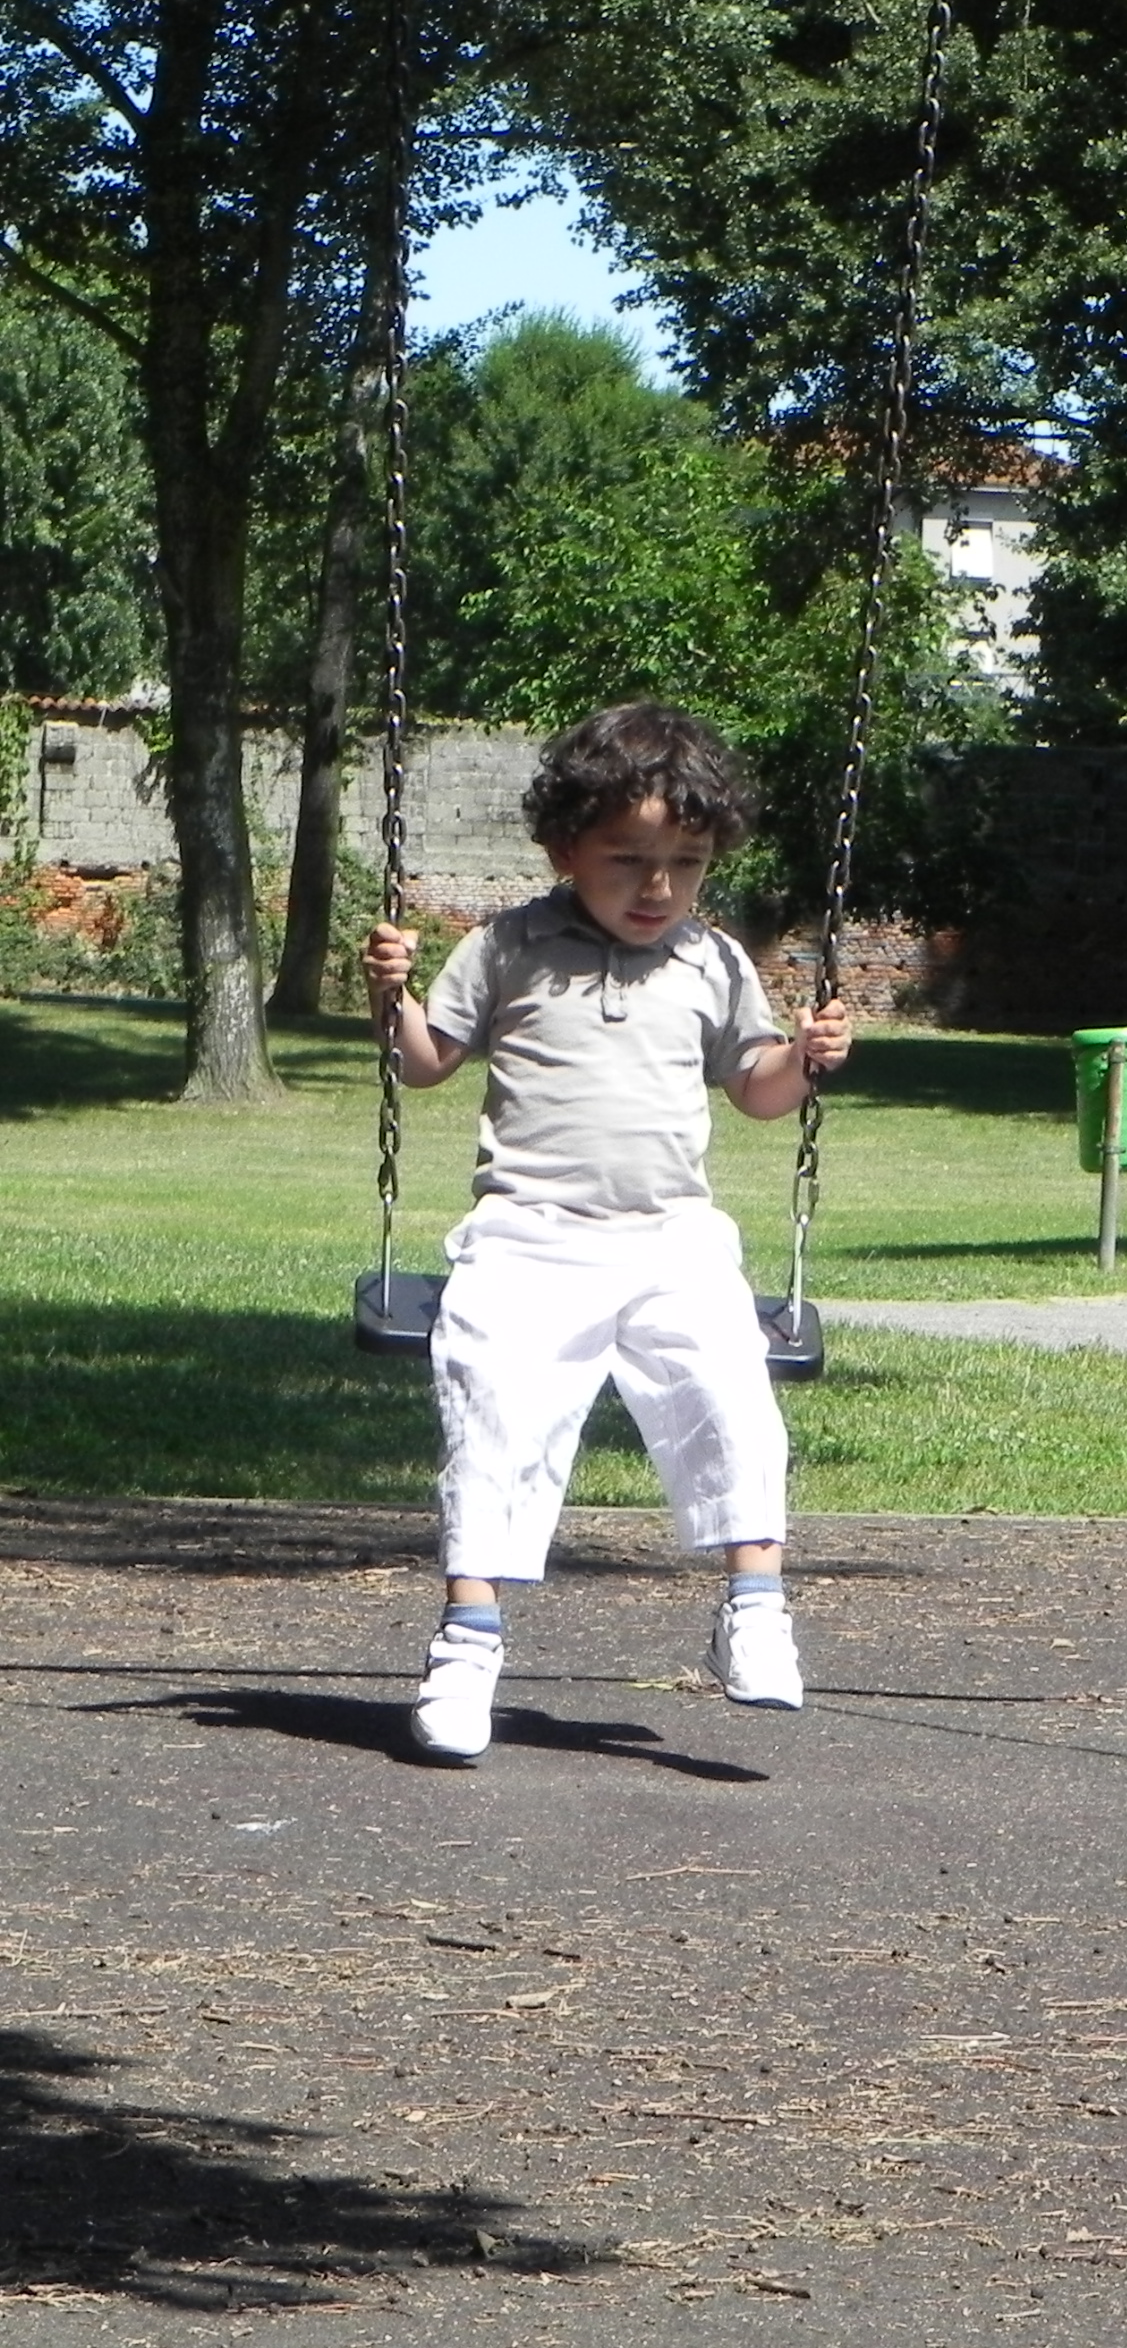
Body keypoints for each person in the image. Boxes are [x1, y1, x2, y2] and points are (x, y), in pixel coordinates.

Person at [362, 703, 852, 1762]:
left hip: (672, 1237)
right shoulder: (507, 947)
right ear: (565, 848)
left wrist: (806, 1058)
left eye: (686, 861)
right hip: (528, 1235)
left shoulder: (715, 962)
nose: (658, 886)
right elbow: (424, 1063)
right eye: (628, 859)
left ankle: (755, 1607)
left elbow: (758, 1094)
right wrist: (390, 999)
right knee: (496, 1416)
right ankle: (469, 1640)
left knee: (732, 1401)